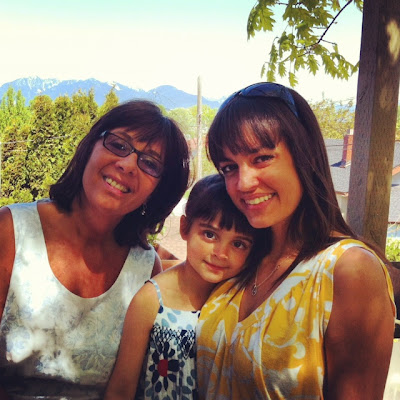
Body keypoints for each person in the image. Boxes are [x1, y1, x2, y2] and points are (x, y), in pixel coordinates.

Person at [196, 82, 396, 399]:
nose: (243, 183)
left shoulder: (348, 270)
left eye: (261, 158)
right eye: (229, 168)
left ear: (305, 157)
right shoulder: (240, 257)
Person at [0, 100, 190, 399]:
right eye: (119, 145)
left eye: (150, 163)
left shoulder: (145, 268)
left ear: (158, 190)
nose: (127, 165)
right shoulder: (12, 231)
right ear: (90, 146)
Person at [104, 174, 267, 400]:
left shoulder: (245, 297)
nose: (221, 253)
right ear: (185, 228)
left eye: (238, 244)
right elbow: (121, 389)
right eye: (209, 234)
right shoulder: (151, 300)